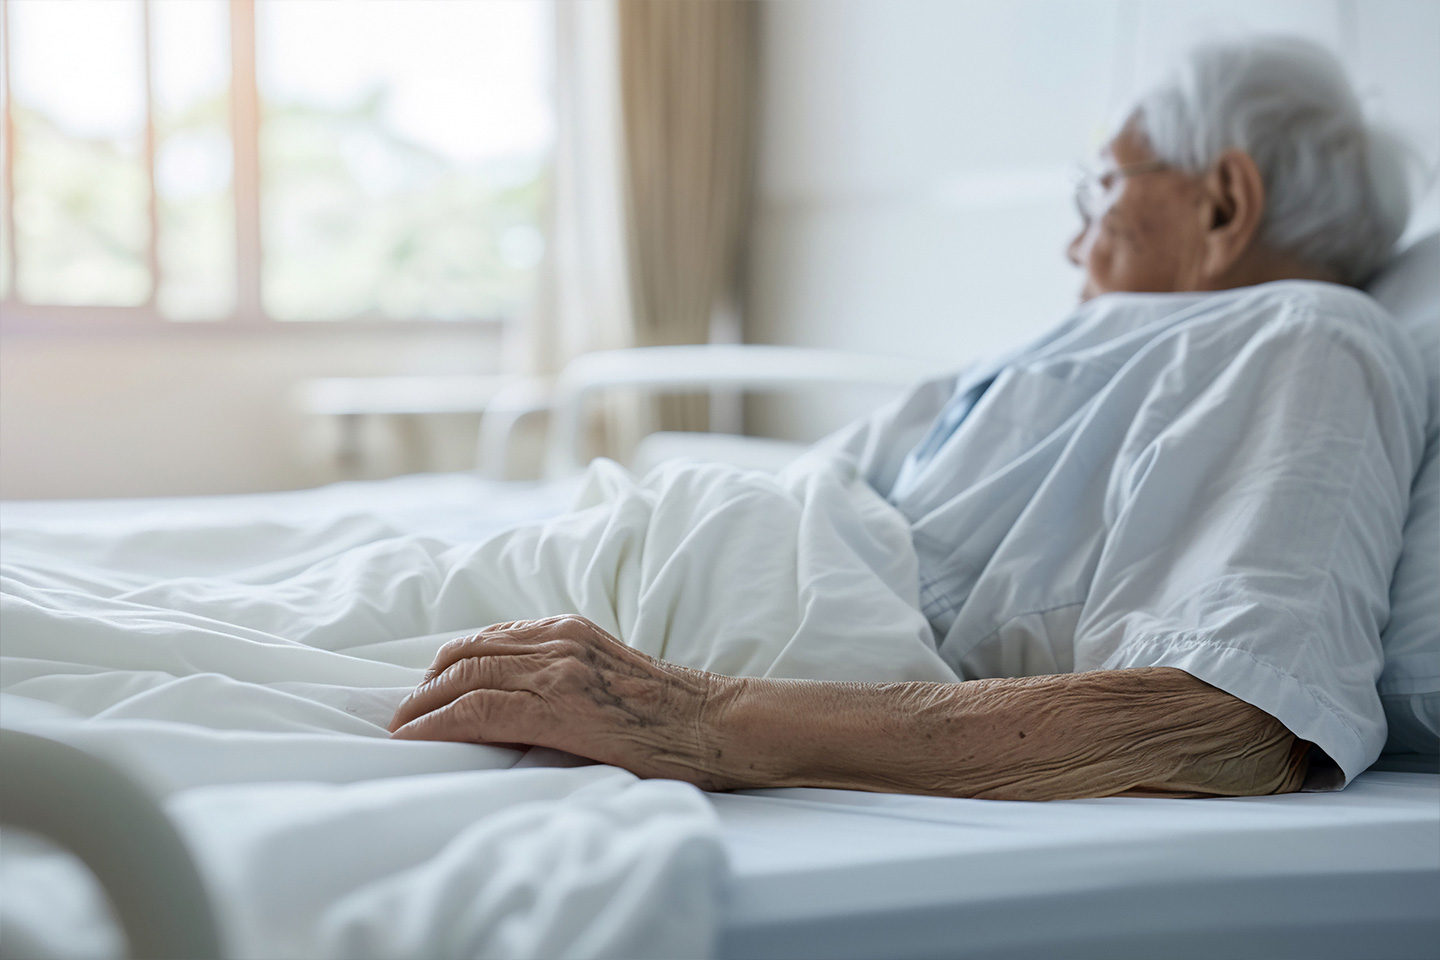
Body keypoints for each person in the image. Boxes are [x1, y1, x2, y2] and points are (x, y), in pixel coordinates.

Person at [388, 37, 1425, 800]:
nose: (1074, 246)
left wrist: (700, 714)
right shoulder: (1174, 343)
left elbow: (1230, 719)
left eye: (1101, 188)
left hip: (742, 613)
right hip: (701, 549)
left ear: (1224, 204)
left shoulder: (1312, 336)